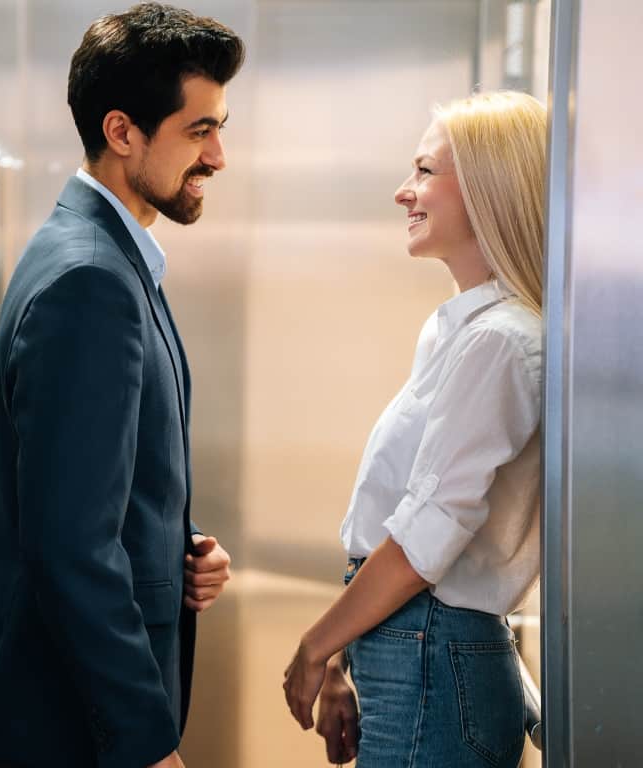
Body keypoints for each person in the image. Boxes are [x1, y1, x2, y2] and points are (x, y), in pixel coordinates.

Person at [0, 5, 245, 768]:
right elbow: (71, 544)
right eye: (200, 130)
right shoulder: (90, 278)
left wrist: (177, 543)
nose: (218, 157)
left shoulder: (101, 255)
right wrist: (144, 744)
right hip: (72, 726)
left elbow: (92, 485)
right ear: (122, 132)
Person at [282, 90, 547, 768]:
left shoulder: (500, 342)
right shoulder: (461, 331)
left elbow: (426, 540)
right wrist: (349, 648)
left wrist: (317, 646)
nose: (405, 192)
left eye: (426, 171)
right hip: (412, 644)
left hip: (427, 648)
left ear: (491, 187)